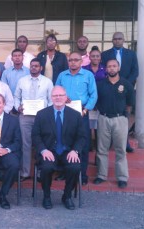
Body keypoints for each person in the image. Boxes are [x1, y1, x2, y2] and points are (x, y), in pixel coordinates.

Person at [32, 86, 85, 210]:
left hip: (68, 151)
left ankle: (67, 196)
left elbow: (82, 137)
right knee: (46, 167)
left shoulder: (76, 115)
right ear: (51, 98)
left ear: (66, 97)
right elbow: (35, 135)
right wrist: (43, 150)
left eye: (61, 95)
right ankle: (46, 196)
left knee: (75, 166)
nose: (58, 98)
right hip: (49, 150)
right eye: (55, 95)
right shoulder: (42, 114)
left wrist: (75, 150)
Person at [56, 52, 97, 185]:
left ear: (81, 62)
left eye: (76, 60)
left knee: (82, 144)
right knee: (63, 142)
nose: (73, 62)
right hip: (64, 113)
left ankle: (82, 175)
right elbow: (55, 91)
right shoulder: (62, 75)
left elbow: (93, 95)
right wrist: (61, 97)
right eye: (71, 60)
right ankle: (63, 171)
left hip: (81, 114)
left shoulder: (88, 75)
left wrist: (85, 110)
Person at [93, 59, 134, 189]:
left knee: (120, 149)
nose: (111, 68)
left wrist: (123, 117)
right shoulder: (100, 84)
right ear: (106, 69)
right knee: (101, 149)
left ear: (118, 68)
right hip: (103, 118)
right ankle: (101, 175)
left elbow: (129, 104)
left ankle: (122, 177)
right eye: (109, 66)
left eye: (114, 66)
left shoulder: (126, 84)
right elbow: (96, 101)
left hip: (120, 119)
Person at [14, 58, 54, 181]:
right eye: (32, 66)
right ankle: (25, 172)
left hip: (42, 118)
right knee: (25, 144)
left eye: (36, 66)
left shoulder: (47, 82)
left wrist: (46, 113)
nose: (34, 68)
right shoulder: (22, 81)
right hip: (25, 116)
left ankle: (40, 172)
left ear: (41, 68)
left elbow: (51, 99)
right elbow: (16, 97)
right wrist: (18, 107)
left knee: (41, 144)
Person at [101, 32, 139, 153]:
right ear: (112, 40)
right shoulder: (105, 54)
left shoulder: (131, 54)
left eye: (120, 39)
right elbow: (104, 70)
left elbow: (135, 71)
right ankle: (109, 142)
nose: (117, 41)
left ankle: (125, 142)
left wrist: (124, 83)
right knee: (109, 115)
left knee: (124, 116)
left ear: (123, 40)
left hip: (125, 89)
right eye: (115, 39)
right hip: (109, 88)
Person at [82, 46, 106, 152]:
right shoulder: (84, 69)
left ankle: (98, 153)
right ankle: (87, 147)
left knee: (98, 129)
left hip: (101, 102)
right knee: (86, 127)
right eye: (93, 56)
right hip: (88, 102)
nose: (95, 58)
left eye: (97, 56)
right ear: (89, 57)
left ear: (100, 58)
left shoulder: (105, 69)